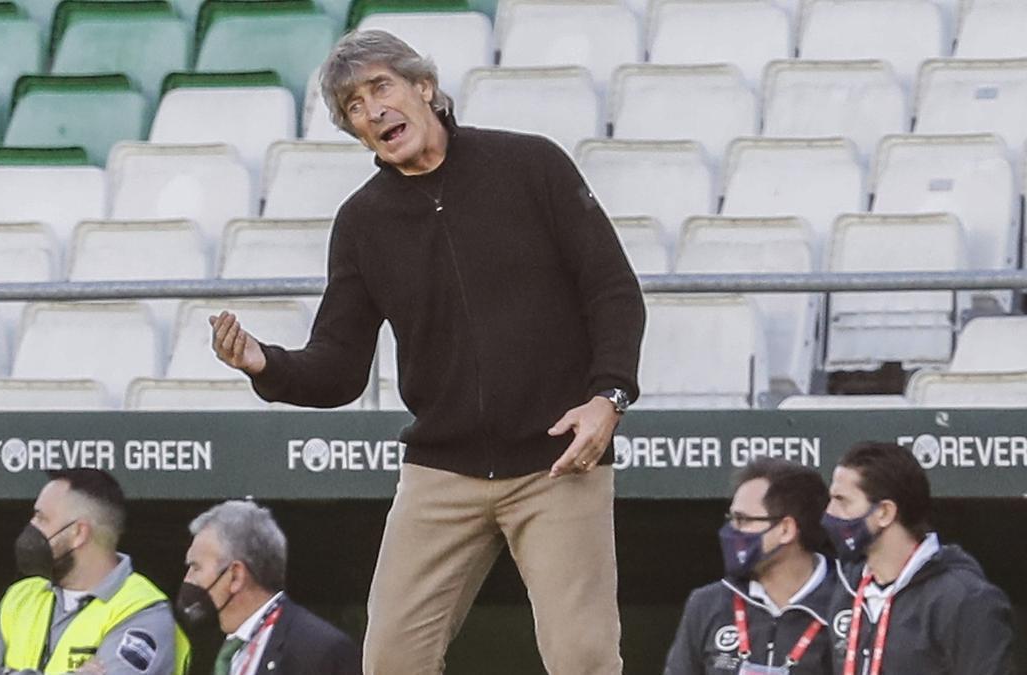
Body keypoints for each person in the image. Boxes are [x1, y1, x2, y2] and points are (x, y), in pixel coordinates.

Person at [209, 29, 644, 675]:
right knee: (389, 660)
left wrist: (608, 397)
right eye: (353, 105)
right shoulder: (362, 221)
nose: (372, 110)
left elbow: (613, 290)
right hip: (440, 470)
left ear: (425, 88)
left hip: (557, 457)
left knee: (582, 658)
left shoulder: (532, 165)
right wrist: (265, 364)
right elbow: (338, 367)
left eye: (380, 87)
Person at [0, 469, 190, 675]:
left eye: (42, 518)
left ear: (78, 533)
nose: (31, 527)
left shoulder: (143, 611)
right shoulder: (21, 597)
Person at [822, 442, 1015, 675]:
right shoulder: (848, 588)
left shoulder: (964, 598)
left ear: (884, 512)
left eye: (842, 500)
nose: (829, 512)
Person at [665, 458, 836, 674]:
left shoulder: (848, 603)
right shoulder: (707, 604)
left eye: (743, 520)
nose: (731, 531)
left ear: (786, 529)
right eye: (732, 519)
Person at [175, 500, 360, 675]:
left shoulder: (319, 650)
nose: (188, 579)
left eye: (196, 567)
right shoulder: (220, 649)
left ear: (235, 576)